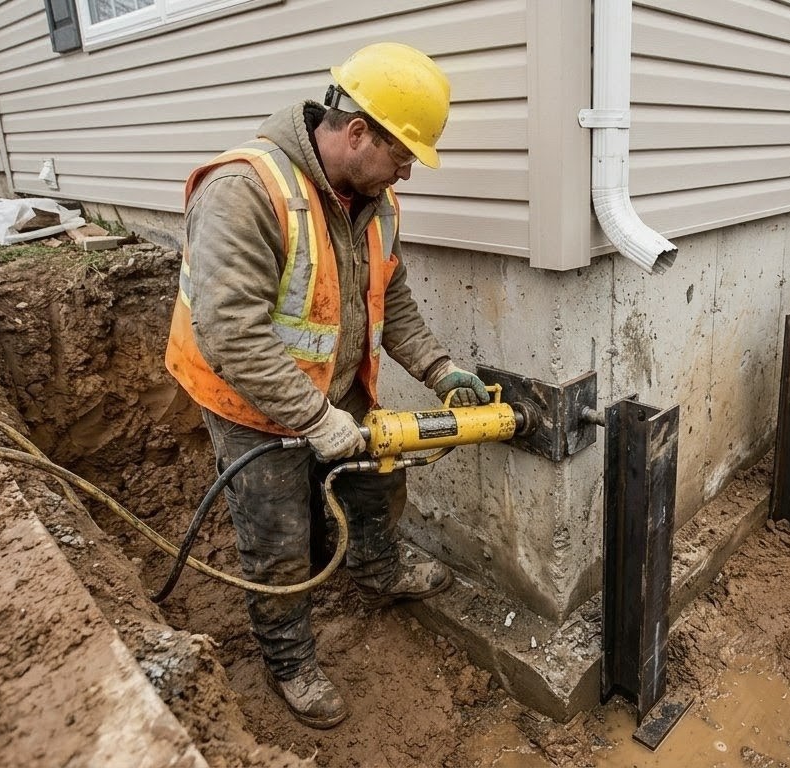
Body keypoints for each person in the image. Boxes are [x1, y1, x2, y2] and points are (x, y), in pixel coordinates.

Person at [163, 42, 489, 730]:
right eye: (403, 156)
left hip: (330, 388)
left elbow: (389, 296)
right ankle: (289, 657)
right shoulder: (245, 190)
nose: (408, 172)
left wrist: (439, 369)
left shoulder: (374, 198)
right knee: (278, 538)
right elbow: (231, 333)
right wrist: (313, 419)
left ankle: (374, 567)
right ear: (357, 131)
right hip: (249, 400)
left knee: (375, 480)